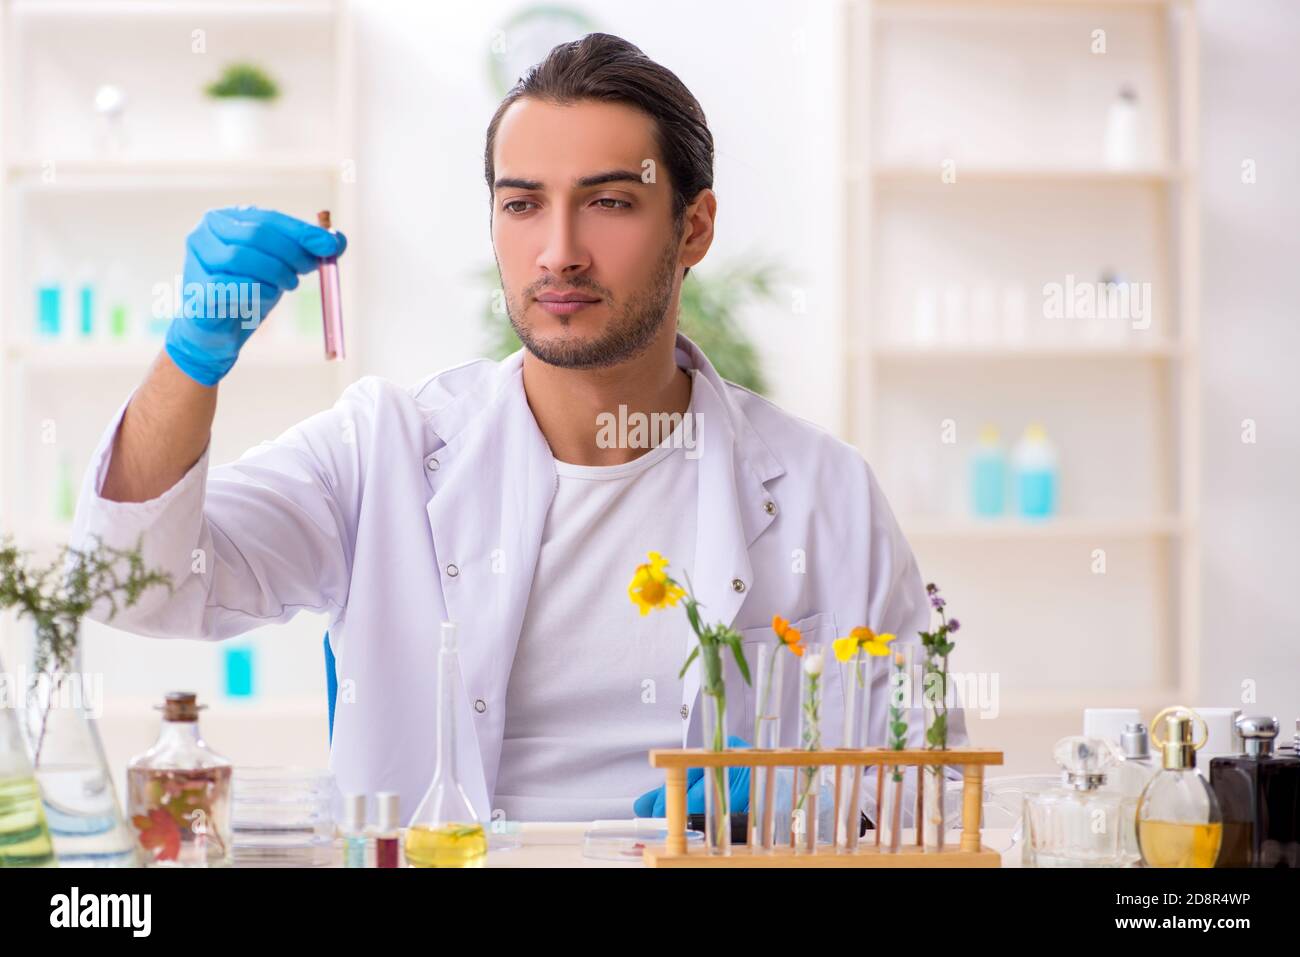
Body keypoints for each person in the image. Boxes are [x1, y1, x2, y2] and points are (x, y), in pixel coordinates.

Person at [71, 33, 967, 826]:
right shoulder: (383, 451)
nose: (558, 250)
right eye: (524, 202)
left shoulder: (823, 491)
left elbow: (933, 785)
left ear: (692, 228)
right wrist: (190, 363)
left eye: (611, 202)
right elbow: (137, 589)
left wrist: (796, 801)